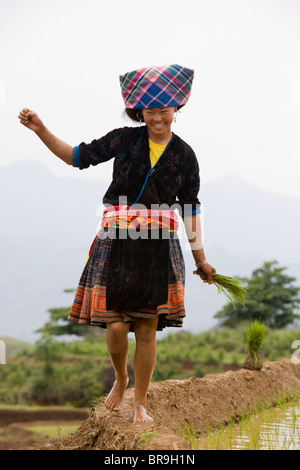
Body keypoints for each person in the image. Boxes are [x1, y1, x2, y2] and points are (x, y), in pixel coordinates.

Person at [18, 64, 216, 423]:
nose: (157, 116)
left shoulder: (185, 155)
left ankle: (140, 402)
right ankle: (121, 378)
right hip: (117, 238)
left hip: (158, 244)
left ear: (176, 110)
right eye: (151, 110)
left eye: (164, 109)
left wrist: (202, 260)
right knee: (115, 324)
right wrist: (41, 130)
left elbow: (190, 209)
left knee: (145, 327)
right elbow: (76, 156)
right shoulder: (125, 140)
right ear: (140, 112)